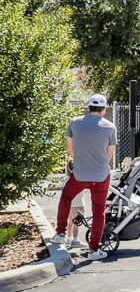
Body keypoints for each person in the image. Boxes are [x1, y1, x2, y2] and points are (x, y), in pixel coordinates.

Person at [50, 95, 117, 261]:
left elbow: (69, 148)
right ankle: (94, 250)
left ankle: (60, 233)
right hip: (101, 174)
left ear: (88, 108)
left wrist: (80, 160)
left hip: (80, 173)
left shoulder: (75, 122)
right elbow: (110, 154)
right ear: (104, 109)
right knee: (98, 210)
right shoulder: (110, 127)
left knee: (66, 196)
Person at [62, 160, 89, 249]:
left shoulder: (65, 179)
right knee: (77, 223)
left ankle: (69, 239)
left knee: (70, 222)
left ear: (69, 168)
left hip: (69, 203)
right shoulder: (79, 178)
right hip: (78, 203)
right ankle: (75, 240)